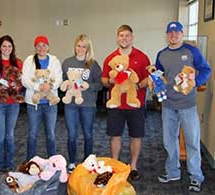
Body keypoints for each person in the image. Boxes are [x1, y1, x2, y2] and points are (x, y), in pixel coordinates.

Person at [155, 21, 211, 192]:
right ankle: (172, 172)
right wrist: (155, 80)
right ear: (167, 35)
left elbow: (205, 69)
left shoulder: (191, 51)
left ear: (182, 33)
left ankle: (196, 176)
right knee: (169, 141)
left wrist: (195, 83)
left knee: (192, 141)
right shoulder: (162, 54)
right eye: (170, 33)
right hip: (168, 105)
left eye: (177, 32)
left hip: (187, 105)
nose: (173, 35)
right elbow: (158, 73)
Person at [101, 24, 150, 181]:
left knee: (136, 136)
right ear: (117, 38)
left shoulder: (142, 57)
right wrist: (110, 80)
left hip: (135, 104)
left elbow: (147, 78)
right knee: (115, 136)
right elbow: (103, 79)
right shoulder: (111, 58)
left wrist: (137, 85)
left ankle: (133, 166)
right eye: (121, 35)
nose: (124, 38)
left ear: (132, 37)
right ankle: (115, 164)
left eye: (127, 35)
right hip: (116, 105)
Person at [62, 34, 102, 172]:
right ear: (75, 46)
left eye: (84, 46)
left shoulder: (93, 64)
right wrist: (65, 86)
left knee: (88, 135)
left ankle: (87, 162)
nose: (80, 49)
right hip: (70, 105)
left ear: (88, 48)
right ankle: (72, 162)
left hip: (88, 105)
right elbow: (62, 81)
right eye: (78, 46)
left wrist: (88, 85)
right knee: (71, 134)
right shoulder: (67, 62)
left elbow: (100, 85)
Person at [21, 35, 62, 160]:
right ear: (35, 47)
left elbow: (59, 78)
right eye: (38, 45)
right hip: (34, 104)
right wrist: (39, 87)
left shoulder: (54, 60)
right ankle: (30, 161)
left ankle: (53, 161)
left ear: (48, 47)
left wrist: (50, 86)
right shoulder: (29, 60)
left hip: (50, 103)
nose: (41, 48)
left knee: (51, 134)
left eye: (44, 45)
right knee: (32, 134)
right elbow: (24, 79)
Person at [0, 35, 23, 175]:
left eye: (9, 46)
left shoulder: (18, 62)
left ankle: (9, 164)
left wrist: (17, 86)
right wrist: (0, 87)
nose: (7, 49)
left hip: (13, 104)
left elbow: (21, 82)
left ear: (12, 47)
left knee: (9, 135)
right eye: (4, 46)